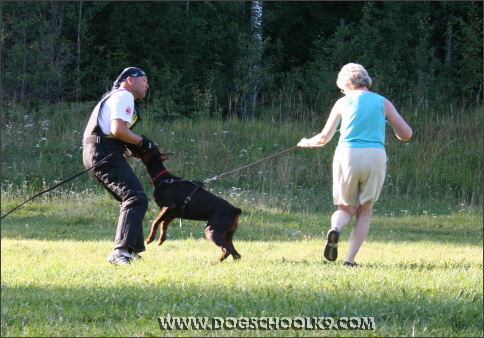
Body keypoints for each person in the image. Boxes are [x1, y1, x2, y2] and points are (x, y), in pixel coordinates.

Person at [297, 63, 412, 266]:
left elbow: (324, 138)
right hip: (374, 156)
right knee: (364, 210)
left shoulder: (343, 102)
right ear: (365, 80)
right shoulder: (382, 102)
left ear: (345, 84)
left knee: (345, 206)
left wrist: (306, 142)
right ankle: (349, 260)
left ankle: (335, 229)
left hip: (347, 154)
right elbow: (406, 134)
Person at [82, 67, 159, 265]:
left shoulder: (115, 96)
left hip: (97, 150)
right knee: (135, 197)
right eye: (144, 80)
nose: (147, 85)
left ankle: (131, 251)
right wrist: (143, 142)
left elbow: (114, 132)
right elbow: (118, 129)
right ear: (130, 80)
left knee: (130, 198)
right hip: (103, 151)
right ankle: (121, 252)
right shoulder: (124, 96)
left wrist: (134, 144)